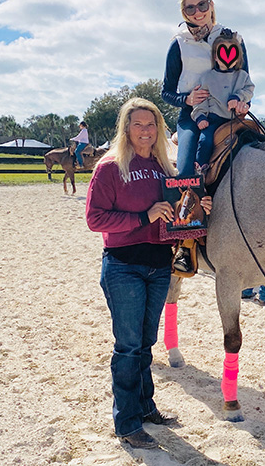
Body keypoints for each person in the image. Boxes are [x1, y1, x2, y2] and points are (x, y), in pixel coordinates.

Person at [86, 98, 212, 449]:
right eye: (138, 124)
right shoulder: (110, 167)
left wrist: (197, 206)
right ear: (126, 128)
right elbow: (95, 219)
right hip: (123, 264)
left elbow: (175, 214)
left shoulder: (163, 168)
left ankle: (145, 407)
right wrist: (143, 216)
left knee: (145, 344)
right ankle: (126, 422)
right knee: (128, 347)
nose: (145, 130)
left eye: (151, 124)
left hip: (159, 265)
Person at [161, 0, 251, 175]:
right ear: (184, 12)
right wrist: (187, 99)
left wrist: (244, 103)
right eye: (190, 8)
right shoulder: (179, 43)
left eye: (202, 5)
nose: (197, 12)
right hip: (193, 116)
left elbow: (245, 80)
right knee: (186, 172)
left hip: (230, 114)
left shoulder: (234, 39)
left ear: (211, 5)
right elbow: (166, 92)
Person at [191, 30, 255, 173]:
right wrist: (200, 116)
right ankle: (200, 172)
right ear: (216, 56)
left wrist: (238, 97)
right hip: (214, 119)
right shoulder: (207, 77)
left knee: (261, 136)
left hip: (236, 119)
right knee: (205, 141)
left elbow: (249, 90)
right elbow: (201, 100)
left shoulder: (242, 76)